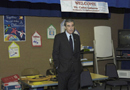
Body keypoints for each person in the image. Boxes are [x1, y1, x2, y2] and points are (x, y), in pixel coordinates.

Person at [52, 19, 82, 90]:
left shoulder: (76, 37)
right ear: (65, 27)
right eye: (68, 26)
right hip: (63, 69)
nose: (71, 28)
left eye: (72, 25)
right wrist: (57, 67)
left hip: (75, 70)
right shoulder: (59, 37)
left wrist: (78, 66)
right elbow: (55, 53)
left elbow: (78, 53)